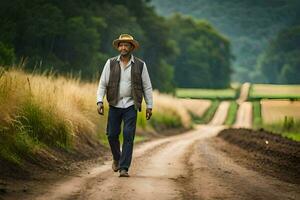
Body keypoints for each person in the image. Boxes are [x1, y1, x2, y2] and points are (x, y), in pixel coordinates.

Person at [96, 34, 153, 177]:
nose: (123, 47)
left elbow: (147, 87)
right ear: (118, 47)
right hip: (114, 103)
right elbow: (103, 83)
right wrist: (99, 101)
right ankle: (117, 157)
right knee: (111, 134)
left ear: (132, 47)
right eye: (121, 45)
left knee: (128, 135)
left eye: (126, 45)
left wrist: (149, 106)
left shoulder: (140, 65)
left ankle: (124, 168)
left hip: (131, 105)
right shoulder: (110, 63)